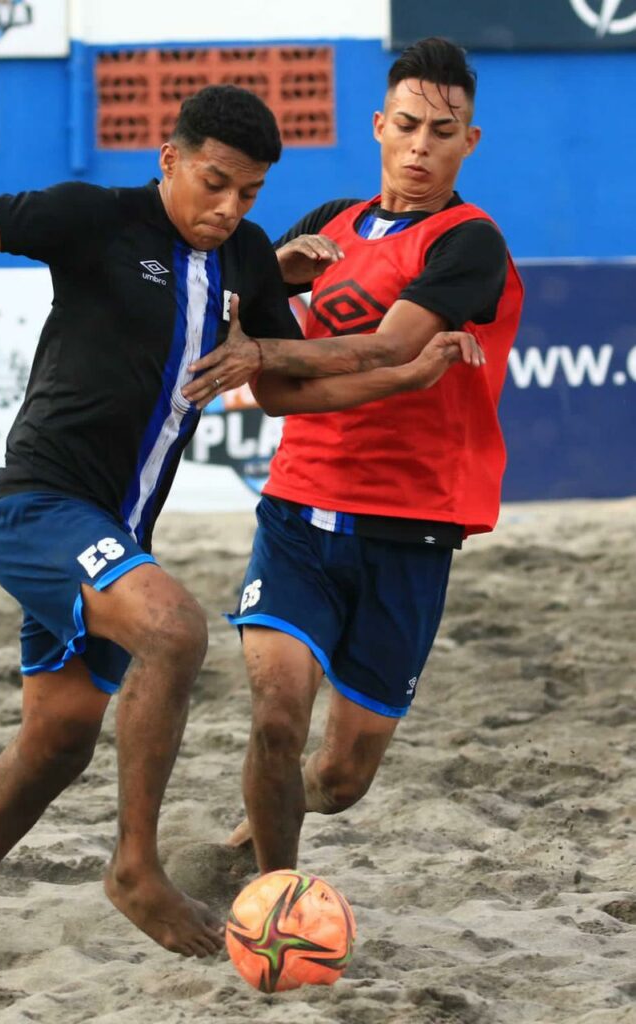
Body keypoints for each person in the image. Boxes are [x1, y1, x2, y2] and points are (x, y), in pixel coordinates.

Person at [0, 82, 479, 957]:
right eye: (212, 183)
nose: (227, 208)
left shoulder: (246, 252)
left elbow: (281, 388)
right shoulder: (94, 217)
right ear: (168, 159)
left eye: (247, 193)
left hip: (115, 533)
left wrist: (398, 379)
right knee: (173, 629)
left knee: (57, 743)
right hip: (37, 506)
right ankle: (135, 867)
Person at [183, 38, 524, 874]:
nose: (420, 146)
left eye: (442, 132)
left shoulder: (467, 241)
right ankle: (271, 891)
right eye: (405, 125)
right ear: (377, 126)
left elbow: (386, 349)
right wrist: (260, 305)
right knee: (274, 714)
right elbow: (234, 318)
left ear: (467, 142)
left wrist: (263, 353)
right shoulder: (324, 224)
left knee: (339, 777)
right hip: (299, 505)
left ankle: (245, 845)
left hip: (409, 524)